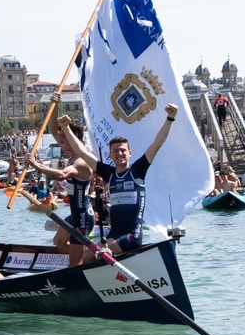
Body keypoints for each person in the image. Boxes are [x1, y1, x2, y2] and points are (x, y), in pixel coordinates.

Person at [54, 92, 177, 256]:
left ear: (130, 153)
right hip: (113, 235)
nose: (119, 153)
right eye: (115, 151)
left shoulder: (138, 170)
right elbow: (82, 152)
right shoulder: (108, 173)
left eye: (123, 150)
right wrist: (66, 129)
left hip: (132, 236)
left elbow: (157, 144)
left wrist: (170, 118)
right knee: (87, 256)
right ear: (110, 156)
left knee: (89, 255)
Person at [27, 121, 94, 266]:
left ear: (75, 136)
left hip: (83, 217)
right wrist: (54, 107)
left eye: (63, 136)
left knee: (74, 264)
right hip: (74, 215)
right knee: (58, 242)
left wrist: (36, 164)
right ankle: (90, 256)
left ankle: (85, 260)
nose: (61, 140)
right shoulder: (71, 154)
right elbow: (52, 129)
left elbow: (62, 175)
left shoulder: (81, 161)